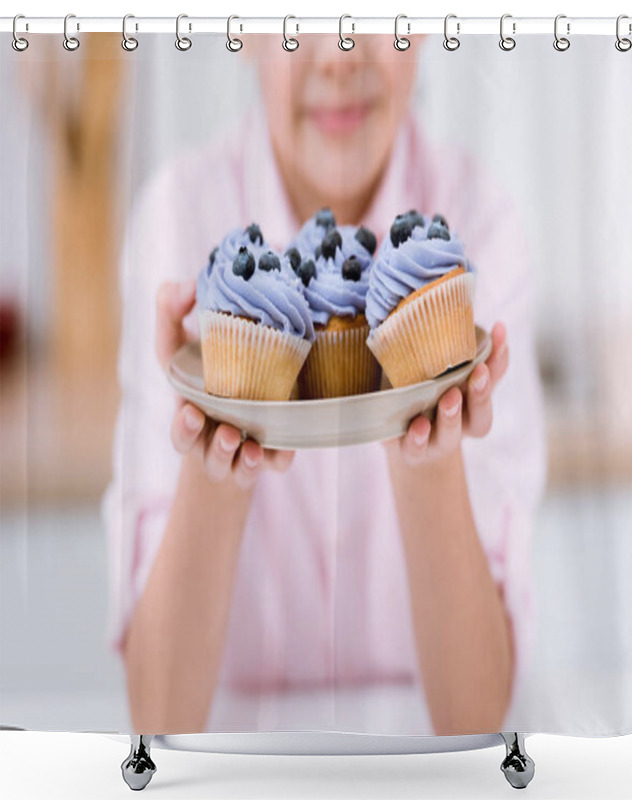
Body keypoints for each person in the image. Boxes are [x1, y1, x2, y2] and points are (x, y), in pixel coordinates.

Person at [102, 35, 546, 736]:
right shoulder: (179, 218)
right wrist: (215, 457)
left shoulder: (478, 224)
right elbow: (157, 719)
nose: (339, 58)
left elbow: (478, 720)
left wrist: (426, 442)